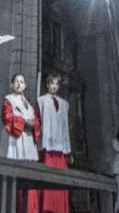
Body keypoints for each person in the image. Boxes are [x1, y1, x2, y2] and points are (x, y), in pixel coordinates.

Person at [4, 74, 40, 213]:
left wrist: (33, 125)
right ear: (12, 85)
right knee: (17, 177)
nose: (19, 84)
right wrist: (24, 123)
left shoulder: (29, 105)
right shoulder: (9, 100)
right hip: (17, 141)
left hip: (29, 143)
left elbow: (36, 122)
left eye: (22, 82)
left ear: (25, 86)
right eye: (16, 82)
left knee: (29, 179)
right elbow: (7, 117)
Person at [38, 74, 71, 213]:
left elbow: (65, 126)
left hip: (61, 148)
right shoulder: (41, 101)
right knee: (48, 180)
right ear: (47, 85)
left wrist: (67, 147)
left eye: (57, 84)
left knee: (61, 182)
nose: (54, 86)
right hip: (48, 147)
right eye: (52, 83)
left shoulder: (64, 104)